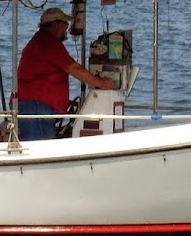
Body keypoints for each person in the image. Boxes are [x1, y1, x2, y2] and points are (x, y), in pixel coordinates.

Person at [14, 7, 115, 140]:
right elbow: (73, 69)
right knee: (39, 149)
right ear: (56, 25)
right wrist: (100, 83)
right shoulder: (48, 42)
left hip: (34, 104)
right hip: (36, 106)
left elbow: (43, 76)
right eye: (65, 24)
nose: (67, 28)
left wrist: (63, 101)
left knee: (37, 147)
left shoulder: (40, 40)